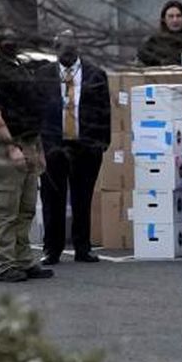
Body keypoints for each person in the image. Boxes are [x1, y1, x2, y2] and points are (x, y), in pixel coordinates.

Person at [0, 34, 54, 284]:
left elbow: (32, 113)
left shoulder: (20, 67)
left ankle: (24, 259)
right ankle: (6, 264)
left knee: (26, 208)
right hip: (5, 146)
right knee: (7, 209)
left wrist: (38, 149)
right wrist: (12, 148)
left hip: (29, 141)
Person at [39, 30, 111, 264]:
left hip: (85, 144)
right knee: (53, 198)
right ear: (55, 49)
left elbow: (104, 110)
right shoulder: (43, 75)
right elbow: (36, 111)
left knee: (82, 197)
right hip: (54, 145)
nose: (68, 53)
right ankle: (52, 249)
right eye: (63, 48)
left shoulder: (95, 74)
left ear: (78, 48)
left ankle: (83, 247)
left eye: (71, 48)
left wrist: (102, 142)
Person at [136, 0, 182, 66]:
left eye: (178, 16)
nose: (175, 20)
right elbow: (144, 55)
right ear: (164, 19)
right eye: (171, 16)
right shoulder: (154, 42)